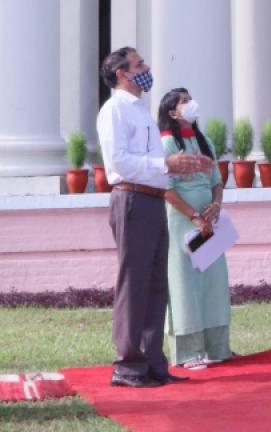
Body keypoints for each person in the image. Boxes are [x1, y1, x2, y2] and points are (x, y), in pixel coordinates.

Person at [97, 47, 213, 388]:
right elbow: (118, 162)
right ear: (122, 73)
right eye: (139, 64)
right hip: (132, 198)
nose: (147, 68)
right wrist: (165, 164)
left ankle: (152, 363)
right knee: (134, 283)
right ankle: (128, 365)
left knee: (154, 284)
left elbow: (155, 164)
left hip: (152, 199)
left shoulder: (139, 110)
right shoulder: (115, 110)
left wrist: (181, 165)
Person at [157, 88, 233, 370]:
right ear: (172, 112)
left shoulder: (204, 141)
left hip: (208, 222)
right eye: (184, 102)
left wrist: (215, 205)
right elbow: (165, 189)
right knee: (184, 282)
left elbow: (216, 181)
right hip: (182, 222)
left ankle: (217, 347)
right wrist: (194, 216)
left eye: (190, 99)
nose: (191, 104)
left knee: (214, 281)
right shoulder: (165, 144)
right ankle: (188, 352)